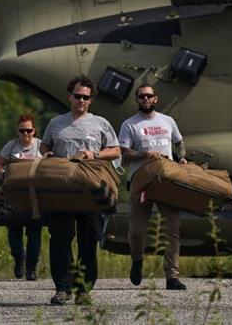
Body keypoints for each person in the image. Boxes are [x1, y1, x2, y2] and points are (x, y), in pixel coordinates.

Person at [40, 76, 120, 306]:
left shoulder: (101, 123)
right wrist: (45, 152)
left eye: (86, 97)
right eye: (77, 96)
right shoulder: (56, 123)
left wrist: (95, 154)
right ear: (70, 96)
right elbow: (45, 144)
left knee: (89, 239)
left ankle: (84, 289)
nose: (81, 100)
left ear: (90, 100)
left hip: (90, 189)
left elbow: (115, 151)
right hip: (61, 189)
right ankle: (62, 288)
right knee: (60, 239)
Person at [118, 83, 188, 291]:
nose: (146, 99)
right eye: (142, 96)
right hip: (141, 182)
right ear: (137, 100)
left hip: (166, 181)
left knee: (172, 230)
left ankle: (172, 277)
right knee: (137, 231)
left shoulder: (167, 121)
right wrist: (145, 154)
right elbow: (124, 152)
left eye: (149, 96)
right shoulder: (130, 125)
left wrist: (182, 157)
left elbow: (179, 141)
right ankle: (137, 260)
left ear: (156, 99)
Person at [0, 114, 43, 281]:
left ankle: (31, 267)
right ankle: (19, 258)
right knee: (14, 232)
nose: (26, 134)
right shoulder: (11, 146)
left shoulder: (41, 146)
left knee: (34, 232)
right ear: (17, 131)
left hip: (34, 196)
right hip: (13, 195)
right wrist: (6, 174)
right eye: (22, 131)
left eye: (29, 130)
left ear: (34, 131)